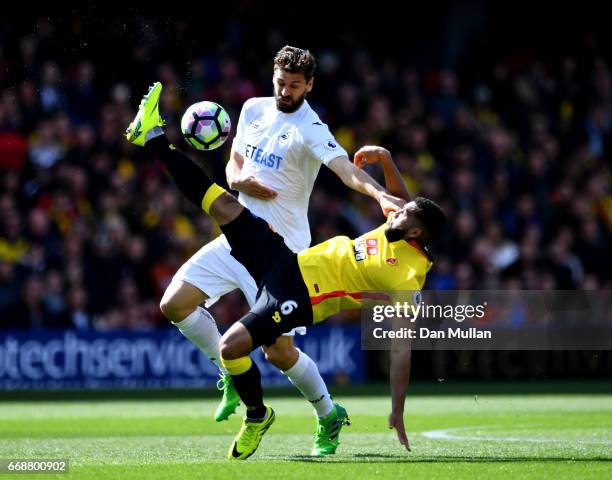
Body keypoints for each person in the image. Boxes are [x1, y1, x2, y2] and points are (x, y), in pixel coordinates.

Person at [127, 89, 445, 458]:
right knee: (223, 204)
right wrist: (387, 160)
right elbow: (403, 202)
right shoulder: (399, 227)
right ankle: (152, 138)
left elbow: (401, 349)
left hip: (300, 295)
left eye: (405, 216)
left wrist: (397, 409)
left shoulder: (407, 276)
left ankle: (266, 415)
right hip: (286, 259)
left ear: (416, 233)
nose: (396, 212)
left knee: (252, 350)